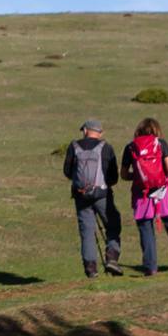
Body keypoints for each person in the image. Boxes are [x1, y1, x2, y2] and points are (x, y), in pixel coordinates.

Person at [120, 117, 168, 275]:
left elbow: (124, 175)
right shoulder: (161, 143)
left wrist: (141, 177)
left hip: (142, 192)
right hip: (163, 189)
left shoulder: (130, 147)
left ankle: (150, 267)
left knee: (145, 227)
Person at [61, 118, 124, 277]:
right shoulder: (106, 147)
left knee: (87, 232)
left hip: (81, 196)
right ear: (100, 132)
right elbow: (113, 177)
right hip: (102, 194)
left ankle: (91, 269)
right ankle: (112, 258)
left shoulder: (73, 146)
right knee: (113, 225)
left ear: (85, 130)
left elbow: (67, 171)